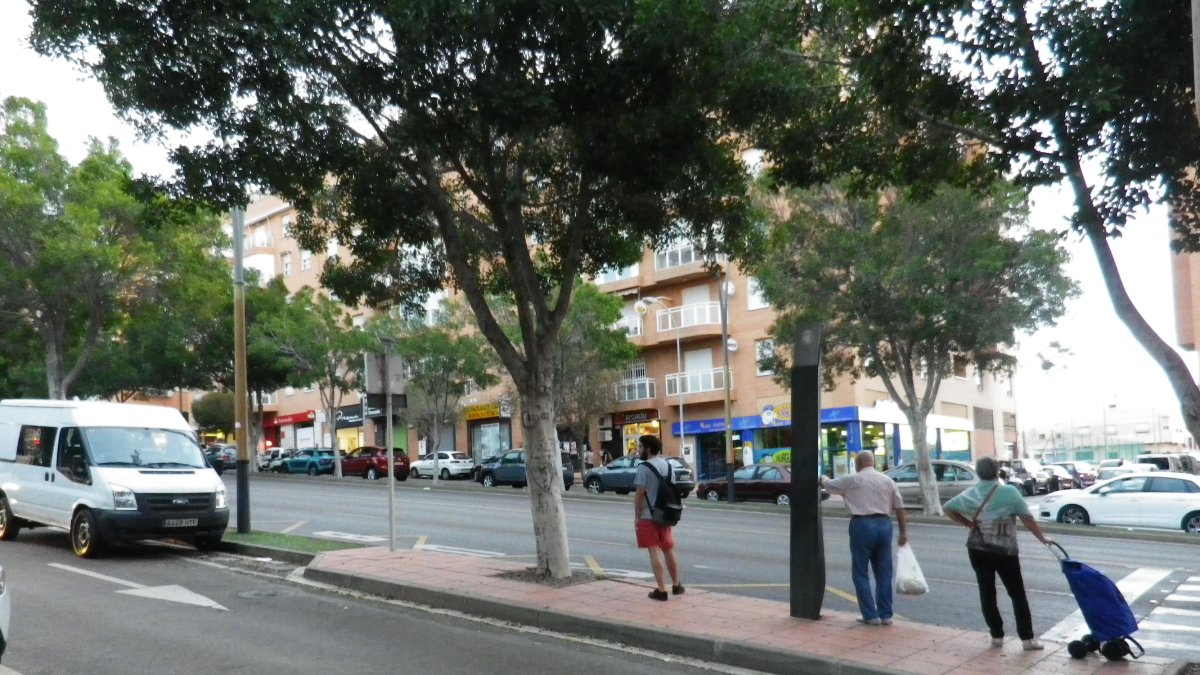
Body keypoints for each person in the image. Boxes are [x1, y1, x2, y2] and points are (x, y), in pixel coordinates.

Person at [945, 456, 1053, 651]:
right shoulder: (1009, 492)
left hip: (977, 549)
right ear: (997, 471)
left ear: (978, 473)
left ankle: (996, 636)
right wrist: (1042, 538)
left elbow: (948, 508)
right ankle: (1027, 639)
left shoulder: (971, 492)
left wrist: (967, 523)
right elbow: (1027, 519)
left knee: (987, 592)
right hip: (1005, 552)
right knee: (1017, 594)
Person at [819, 451, 907, 625]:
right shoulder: (887, 480)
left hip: (862, 524)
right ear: (873, 463)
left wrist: (822, 478)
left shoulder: (853, 479)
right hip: (884, 524)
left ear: (858, 464)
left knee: (860, 571)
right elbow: (899, 506)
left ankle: (870, 615)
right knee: (884, 571)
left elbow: (829, 485)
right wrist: (903, 532)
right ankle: (886, 615)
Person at [632, 434, 683, 601]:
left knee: (654, 551)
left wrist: (637, 517)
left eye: (640, 447)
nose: (638, 450)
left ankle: (661, 590)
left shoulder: (643, 467)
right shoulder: (668, 466)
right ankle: (676, 585)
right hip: (666, 514)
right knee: (668, 549)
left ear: (647, 449)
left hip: (649, 515)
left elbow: (640, 494)